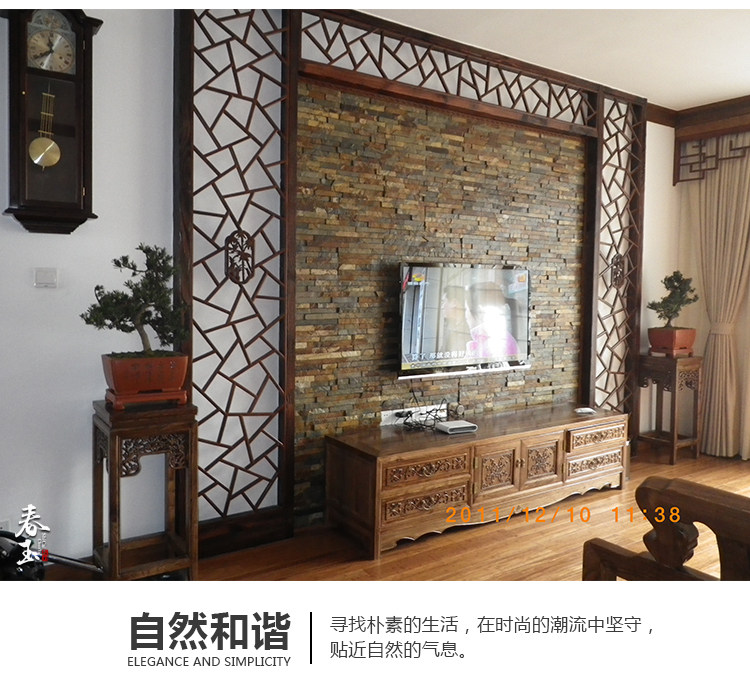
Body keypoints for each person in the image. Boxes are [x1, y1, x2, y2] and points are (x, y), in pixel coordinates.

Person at [465, 281, 519, 359]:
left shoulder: (494, 344)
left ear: (480, 310)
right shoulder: (482, 342)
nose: (465, 315)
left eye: (466, 309)